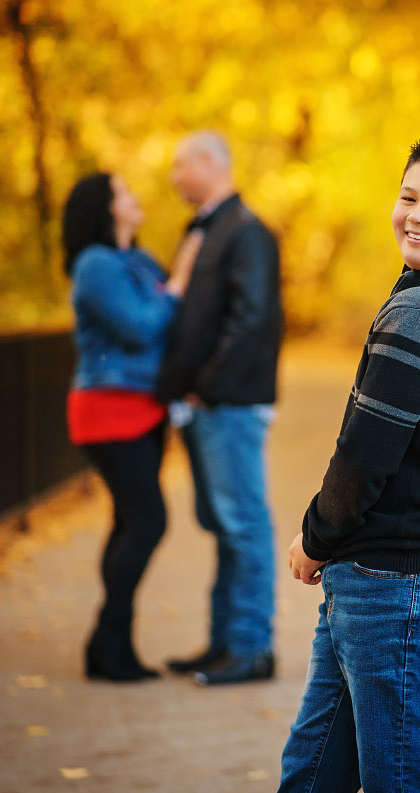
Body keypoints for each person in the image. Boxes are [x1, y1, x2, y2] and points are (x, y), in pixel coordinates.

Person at [275, 137, 420, 793]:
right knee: (311, 780)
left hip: (400, 583)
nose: (416, 215)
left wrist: (316, 539)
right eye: (408, 197)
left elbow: (362, 458)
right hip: (386, 580)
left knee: (396, 785)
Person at [155, 131, 283, 686]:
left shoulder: (247, 231)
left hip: (228, 403)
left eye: (181, 165)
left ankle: (252, 648)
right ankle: (225, 642)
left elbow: (252, 318)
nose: (174, 177)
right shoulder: (207, 228)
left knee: (244, 523)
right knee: (224, 524)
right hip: (208, 404)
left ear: (210, 163)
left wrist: (204, 385)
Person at [63, 172, 197, 682]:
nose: (134, 196)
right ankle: (106, 640)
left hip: (143, 407)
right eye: (124, 190)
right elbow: (141, 327)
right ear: (104, 206)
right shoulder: (95, 264)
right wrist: (178, 286)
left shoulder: (136, 261)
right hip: (107, 408)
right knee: (148, 521)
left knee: (127, 522)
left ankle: (111, 648)